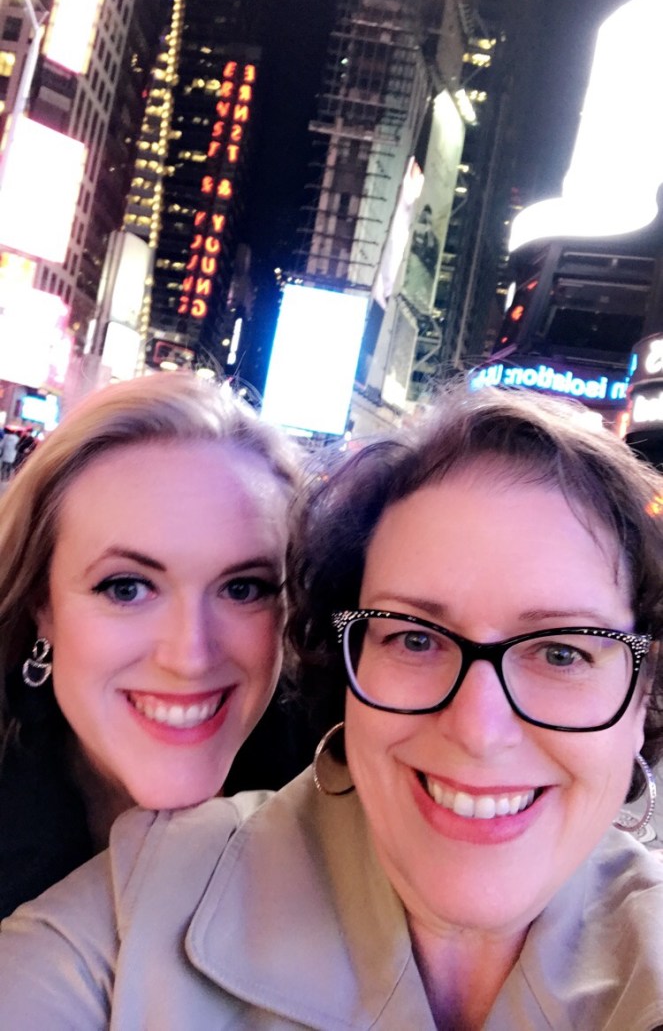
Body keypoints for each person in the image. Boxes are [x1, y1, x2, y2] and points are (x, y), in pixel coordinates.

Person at [2, 386, 663, 1030]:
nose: (478, 729)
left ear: (644, 693)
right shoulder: (122, 915)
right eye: (415, 638)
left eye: (561, 652)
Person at [0, 370, 300, 919]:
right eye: (127, 588)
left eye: (242, 588)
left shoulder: (354, 820)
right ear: (42, 607)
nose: (190, 657)